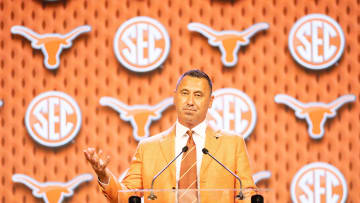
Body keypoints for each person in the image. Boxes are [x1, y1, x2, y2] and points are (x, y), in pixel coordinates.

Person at [84, 69, 256, 203]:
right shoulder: (148, 148)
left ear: (210, 101)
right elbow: (126, 197)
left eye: (198, 95)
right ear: (175, 97)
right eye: (184, 93)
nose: (190, 101)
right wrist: (104, 175)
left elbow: (246, 193)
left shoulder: (232, 145)